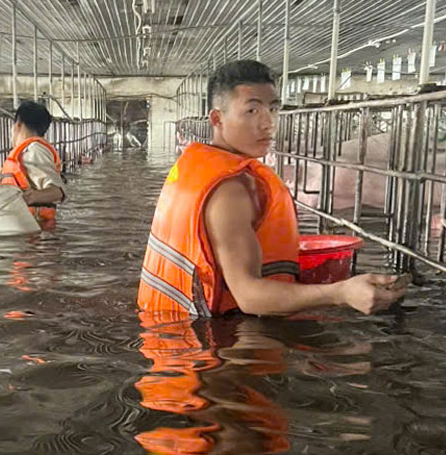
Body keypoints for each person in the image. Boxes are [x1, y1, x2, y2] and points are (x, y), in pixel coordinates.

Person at [138, 60, 406, 318]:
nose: (269, 123)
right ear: (217, 119)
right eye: (252, 111)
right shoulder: (230, 189)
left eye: (273, 109)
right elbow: (249, 297)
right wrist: (340, 293)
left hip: (169, 329)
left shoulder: (195, 167)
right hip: (209, 346)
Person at [0, 101, 66, 228]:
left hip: (35, 229)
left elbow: (58, 192)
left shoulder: (34, 150)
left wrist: (28, 198)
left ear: (18, 124)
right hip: (25, 226)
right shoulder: (22, 153)